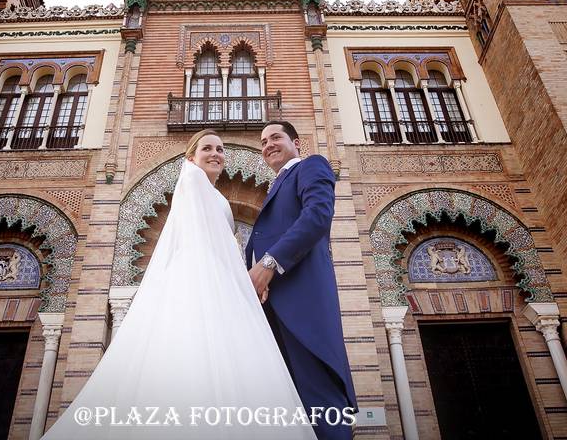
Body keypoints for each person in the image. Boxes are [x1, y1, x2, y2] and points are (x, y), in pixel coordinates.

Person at [43, 129, 317, 439]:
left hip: (216, 280)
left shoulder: (214, 195)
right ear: (191, 157)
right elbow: (207, 244)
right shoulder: (193, 181)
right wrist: (245, 281)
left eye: (220, 149)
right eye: (207, 149)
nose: (215, 153)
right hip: (203, 284)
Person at [247, 121, 358, 440]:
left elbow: (317, 216)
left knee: (319, 398)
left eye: (276, 137)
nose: (268, 144)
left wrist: (268, 263)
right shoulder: (275, 187)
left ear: (296, 142)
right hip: (272, 308)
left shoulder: (311, 166)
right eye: (263, 141)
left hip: (302, 301)